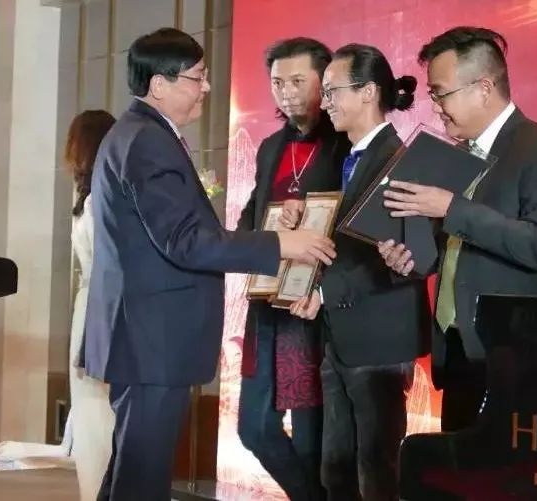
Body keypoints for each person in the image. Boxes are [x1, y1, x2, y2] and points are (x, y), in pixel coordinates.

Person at [82, 28, 336, 501]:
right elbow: (185, 242)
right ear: (160, 84)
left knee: (131, 469)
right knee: (142, 477)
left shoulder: (139, 133)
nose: (207, 87)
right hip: (153, 337)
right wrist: (282, 242)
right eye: (197, 77)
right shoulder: (147, 140)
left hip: (146, 334)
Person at [380, 26, 537, 432]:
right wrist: (412, 262)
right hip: (457, 347)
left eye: (441, 94)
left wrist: (451, 207)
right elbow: (452, 250)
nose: (436, 108)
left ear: (484, 88)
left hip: (512, 353)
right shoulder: (456, 157)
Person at [287, 43, 428, 501]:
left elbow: (393, 257)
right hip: (341, 335)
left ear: (368, 92)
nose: (324, 102)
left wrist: (322, 294)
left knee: (376, 466)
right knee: (337, 467)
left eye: (332, 92)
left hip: (380, 336)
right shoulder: (345, 157)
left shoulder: (401, 161)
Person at [235, 37, 348, 501]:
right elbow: (249, 218)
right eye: (278, 83)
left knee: (310, 438)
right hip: (267, 303)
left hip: (314, 308)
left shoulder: (344, 144)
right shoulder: (270, 147)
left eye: (298, 81)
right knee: (254, 427)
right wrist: (264, 231)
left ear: (326, 82)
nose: (286, 92)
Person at [63, 109, 116, 501]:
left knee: (95, 410)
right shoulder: (100, 197)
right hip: (98, 305)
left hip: (92, 307)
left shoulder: (92, 199)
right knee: (97, 411)